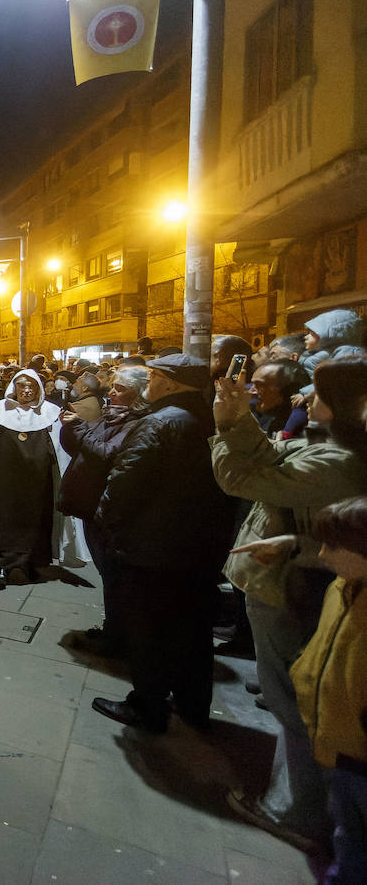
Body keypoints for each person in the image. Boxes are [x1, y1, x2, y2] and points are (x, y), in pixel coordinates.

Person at [216, 356, 367, 851]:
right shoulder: (332, 444)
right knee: (300, 693)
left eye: (318, 393)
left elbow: (244, 478)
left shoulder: (338, 460)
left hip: (294, 585)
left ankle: (300, 809)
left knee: (298, 701)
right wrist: (240, 421)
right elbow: (274, 459)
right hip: (298, 572)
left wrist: (226, 427)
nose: (305, 398)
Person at [89, 353, 236, 733]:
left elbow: (125, 482)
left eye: (153, 377)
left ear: (169, 383)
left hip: (155, 548)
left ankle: (147, 706)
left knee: (150, 630)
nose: (148, 384)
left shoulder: (159, 422)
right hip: (199, 547)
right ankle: (192, 704)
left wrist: (108, 523)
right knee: (192, 629)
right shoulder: (210, 417)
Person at [292, 497, 367, 883]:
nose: (323, 554)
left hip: (360, 753)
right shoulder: (343, 586)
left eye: (334, 546)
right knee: (346, 834)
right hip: (337, 743)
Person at [58, 365, 149, 657]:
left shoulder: (138, 422)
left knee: (115, 577)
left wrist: (81, 427)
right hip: (94, 504)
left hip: (109, 508)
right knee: (109, 575)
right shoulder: (115, 415)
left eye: (119, 388)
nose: (111, 392)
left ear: (138, 394)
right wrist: (71, 428)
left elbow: (107, 453)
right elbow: (84, 448)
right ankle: (115, 629)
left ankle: (119, 637)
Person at [0, 369, 64, 589]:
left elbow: (60, 448)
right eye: (22, 385)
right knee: (5, 518)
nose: (26, 390)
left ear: (39, 389)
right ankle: (4, 564)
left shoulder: (51, 412)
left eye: (32, 386)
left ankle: (31, 562)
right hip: (5, 479)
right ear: (14, 387)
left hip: (38, 480)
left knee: (36, 519)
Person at [249, 359, 310, 439]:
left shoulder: (302, 428)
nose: (251, 392)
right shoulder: (255, 410)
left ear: (289, 390)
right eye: (253, 385)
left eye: (259, 385)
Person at [302, 310, 366, 378]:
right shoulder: (326, 357)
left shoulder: (346, 357)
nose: (306, 337)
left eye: (312, 332)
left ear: (333, 333)